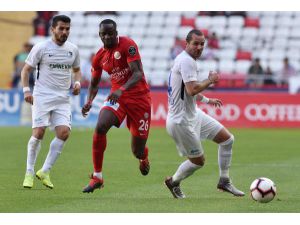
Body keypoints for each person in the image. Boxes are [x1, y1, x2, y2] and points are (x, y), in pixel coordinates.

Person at [165, 29, 245, 199]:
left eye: (202, 44)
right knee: (199, 162)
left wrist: (208, 100)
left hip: (193, 114)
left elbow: (188, 90)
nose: (199, 47)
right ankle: (173, 181)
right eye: (195, 43)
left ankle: (224, 181)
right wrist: (210, 80)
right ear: (186, 44)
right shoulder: (187, 61)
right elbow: (192, 89)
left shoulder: (186, 60)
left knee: (227, 139)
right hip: (181, 121)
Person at [81, 19, 152, 193]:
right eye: (104, 34)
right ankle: (97, 176)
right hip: (117, 98)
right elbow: (95, 83)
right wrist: (89, 101)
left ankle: (143, 157)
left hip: (139, 99)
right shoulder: (99, 57)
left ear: (116, 32)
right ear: (99, 35)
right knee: (100, 126)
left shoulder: (128, 45)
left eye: (110, 33)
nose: (107, 36)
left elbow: (137, 73)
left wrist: (121, 89)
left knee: (137, 150)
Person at [21, 15, 82, 189]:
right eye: (61, 28)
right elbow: (25, 71)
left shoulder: (73, 50)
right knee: (39, 133)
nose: (64, 32)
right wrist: (26, 90)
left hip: (62, 98)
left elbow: (77, 70)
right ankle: (29, 172)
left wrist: (77, 83)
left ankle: (45, 171)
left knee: (64, 133)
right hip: (42, 96)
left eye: (67, 29)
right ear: (52, 29)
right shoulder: (41, 48)